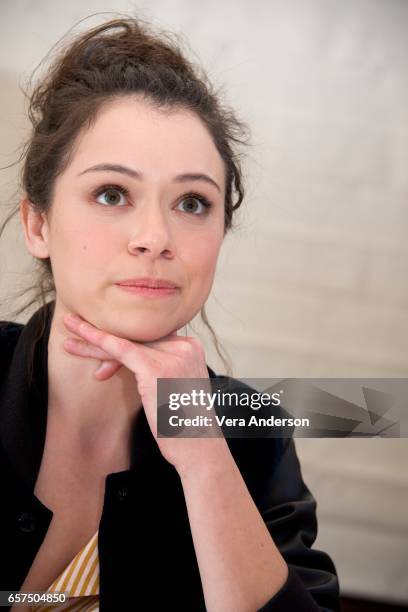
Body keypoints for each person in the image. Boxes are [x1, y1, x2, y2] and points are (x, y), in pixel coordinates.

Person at [0, 14, 340, 612]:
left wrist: (205, 456)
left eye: (192, 202)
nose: (156, 237)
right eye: (111, 194)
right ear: (38, 223)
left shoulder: (252, 429)